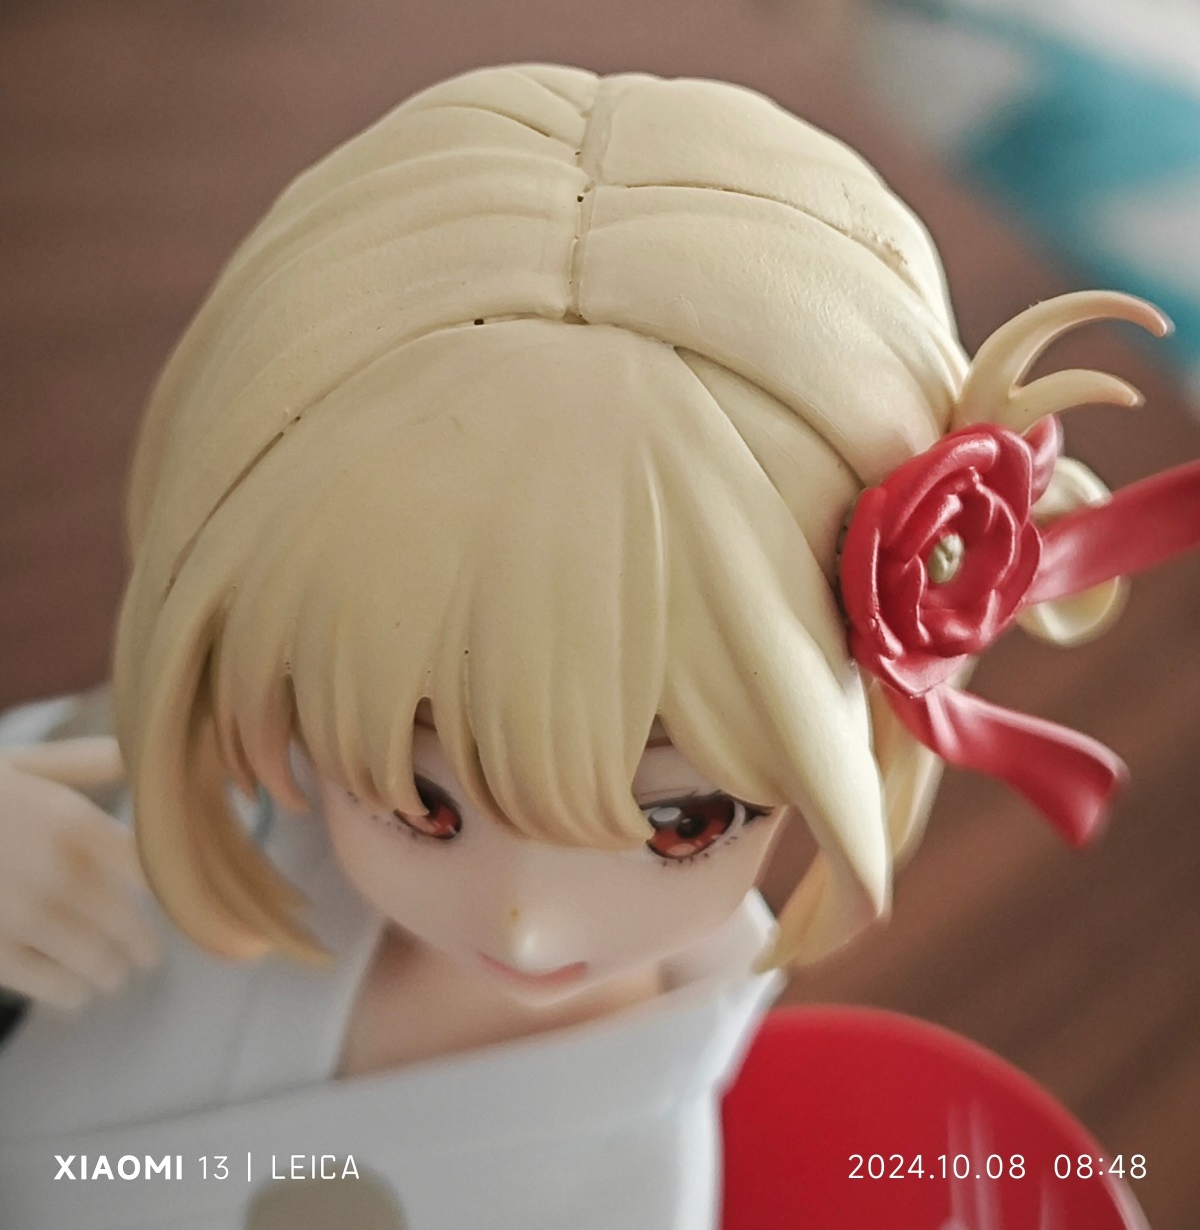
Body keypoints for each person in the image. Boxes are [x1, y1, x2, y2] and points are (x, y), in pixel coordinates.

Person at [0, 65, 1192, 1230]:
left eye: (682, 820)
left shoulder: (623, 1163)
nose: (528, 919)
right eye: (418, 796)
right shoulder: (231, 785)